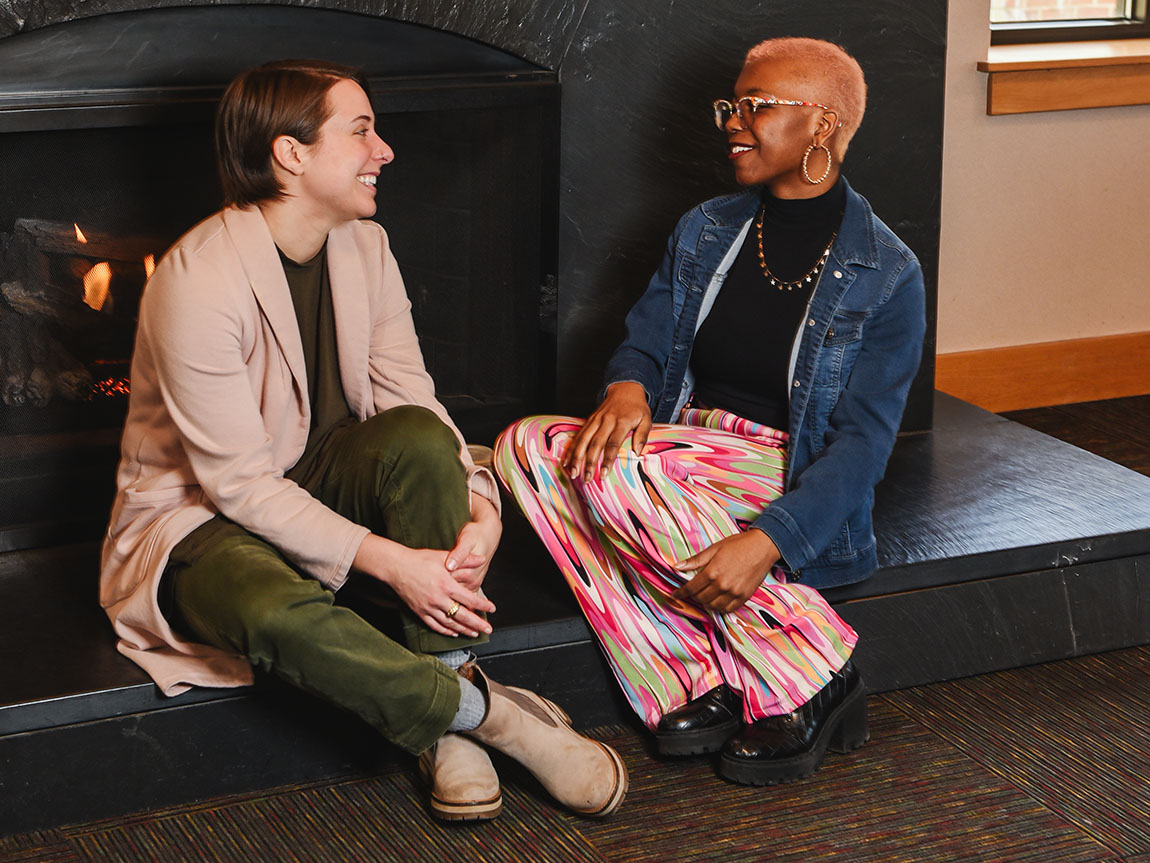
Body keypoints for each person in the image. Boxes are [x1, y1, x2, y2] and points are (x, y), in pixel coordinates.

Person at [99, 59, 626, 823]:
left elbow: (415, 403)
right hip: (197, 518)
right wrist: (390, 562)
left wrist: (482, 503)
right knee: (265, 606)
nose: (384, 150)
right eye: (361, 131)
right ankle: (486, 715)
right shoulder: (198, 277)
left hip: (313, 476)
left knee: (413, 435)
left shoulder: (365, 248)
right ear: (291, 153)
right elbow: (240, 487)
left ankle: (441, 692)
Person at [495, 37, 925, 786]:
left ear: (822, 125)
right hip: (679, 454)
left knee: (611, 476)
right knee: (525, 445)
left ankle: (789, 673)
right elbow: (647, 342)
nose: (732, 122)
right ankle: (740, 671)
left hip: (786, 473)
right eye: (732, 104)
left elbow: (862, 444)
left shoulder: (887, 274)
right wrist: (628, 385)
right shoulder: (708, 228)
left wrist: (767, 542)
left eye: (756, 107)